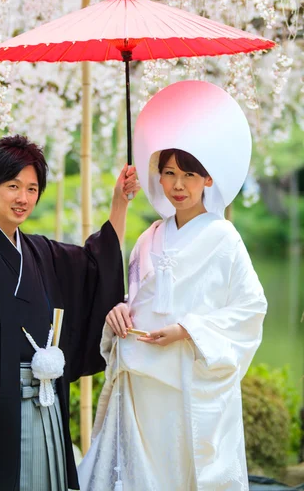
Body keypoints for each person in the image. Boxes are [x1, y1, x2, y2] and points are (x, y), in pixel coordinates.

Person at [0, 134, 139, 491]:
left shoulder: (41, 252)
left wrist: (120, 202)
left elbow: (94, 267)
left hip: (46, 404)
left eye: (32, 189)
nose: (23, 198)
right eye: (13, 186)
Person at [78, 80, 268, 491]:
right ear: (158, 178)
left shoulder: (224, 238)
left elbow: (251, 309)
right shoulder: (148, 238)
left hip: (189, 383)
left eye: (188, 174)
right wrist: (120, 311)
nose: (178, 185)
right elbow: (133, 298)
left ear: (208, 180)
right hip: (143, 384)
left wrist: (187, 330)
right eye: (168, 173)